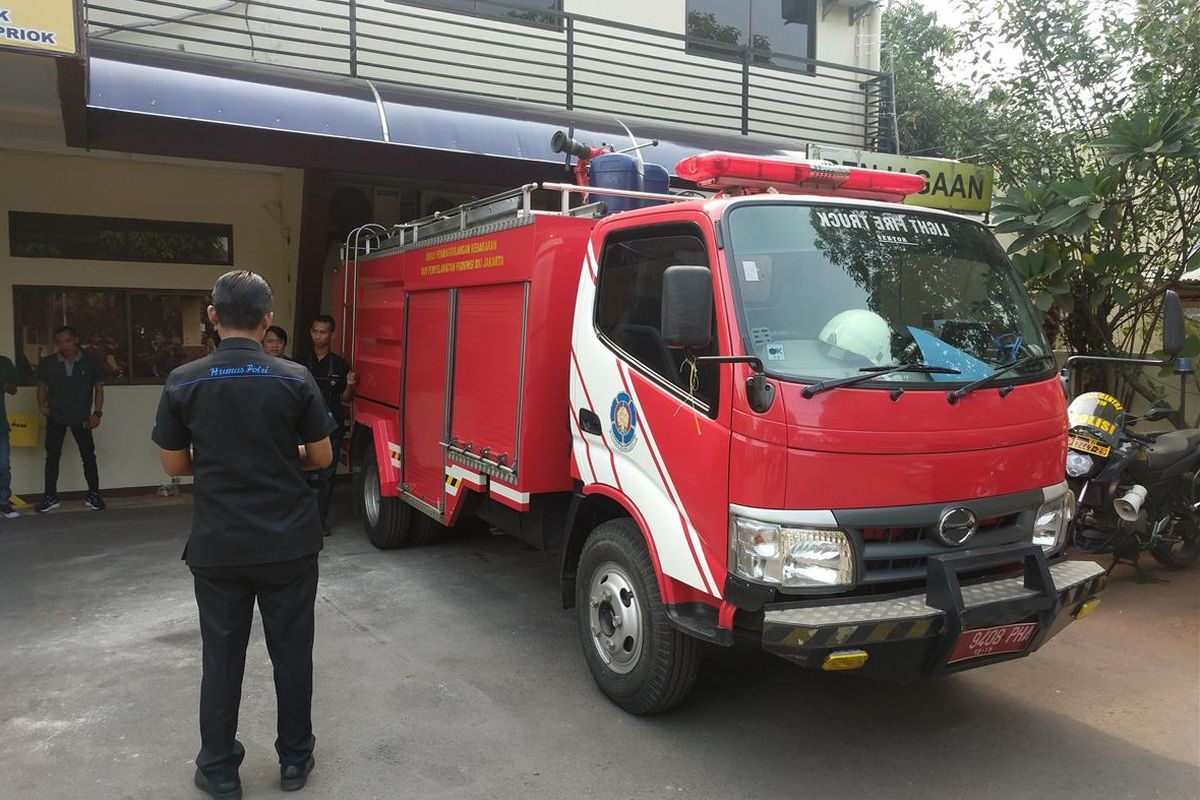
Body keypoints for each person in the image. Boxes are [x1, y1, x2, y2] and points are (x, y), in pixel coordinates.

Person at [152, 270, 336, 799]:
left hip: (219, 545)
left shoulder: (184, 380)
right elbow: (321, 457)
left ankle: (218, 770)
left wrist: (220, 459)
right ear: (267, 319)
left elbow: (173, 463)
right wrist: (282, 456)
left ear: (213, 316)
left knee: (222, 657)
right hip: (288, 545)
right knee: (292, 654)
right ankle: (295, 761)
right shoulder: (295, 377)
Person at [36, 326, 105, 513]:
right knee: (52, 457)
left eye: (67, 340)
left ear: (75, 340)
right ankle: (50, 496)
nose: (63, 345)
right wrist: (41, 405)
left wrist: (97, 413)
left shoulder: (90, 362)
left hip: (82, 416)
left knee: (88, 456)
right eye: (59, 341)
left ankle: (94, 495)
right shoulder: (48, 363)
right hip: (56, 415)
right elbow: (42, 385)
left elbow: (99, 388)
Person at [298, 315, 356, 535]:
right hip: (302, 427)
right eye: (314, 331)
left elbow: (346, 399)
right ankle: (301, 522)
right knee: (300, 474)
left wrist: (350, 386)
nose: (318, 336)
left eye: (323, 332)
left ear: (332, 334)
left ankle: (320, 522)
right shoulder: (300, 361)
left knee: (326, 477)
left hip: (331, 427)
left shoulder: (340, 364)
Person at [0, 353, 18, 519]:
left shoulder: (4, 362)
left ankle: (3, 502)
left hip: (0, 426)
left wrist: (3, 382)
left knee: (3, 466)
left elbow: (14, 390)